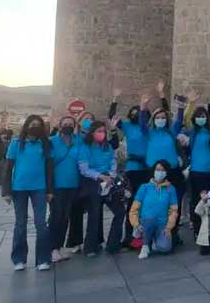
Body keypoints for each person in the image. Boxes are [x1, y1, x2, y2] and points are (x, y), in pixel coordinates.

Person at [2, 115, 53, 271]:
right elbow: (8, 168)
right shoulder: (16, 144)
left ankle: (43, 259)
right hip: (19, 189)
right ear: (26, 126)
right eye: (32, 124)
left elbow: (49, 169)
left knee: (41, 224)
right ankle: (19, 259)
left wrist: (50, 190)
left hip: (40, 188)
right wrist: (6, 191)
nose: (35, 127)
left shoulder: (45, 144)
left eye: (38, 124)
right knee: (20, 224)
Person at [143, 90, 187, 246]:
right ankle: (155, 236)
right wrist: (144, 106)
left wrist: (181, 107)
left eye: (163, 118)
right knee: (156, 205)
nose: (160, 120)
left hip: (173, 174)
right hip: (155, 173)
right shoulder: (150, 133)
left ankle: (173, 235)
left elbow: (179, 121)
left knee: (174, 205)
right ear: (153, 119)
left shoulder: (171, 132)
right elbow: (142, 122)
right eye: (158, 118)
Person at [77, 120, 125, 256]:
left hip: (109, 180)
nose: (102, 134)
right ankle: (90, 247)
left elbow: (112, 161)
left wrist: (110, 175)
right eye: (99, 131)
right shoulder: (85, 147)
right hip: (93, 181)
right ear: (92, 133)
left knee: (120, 211)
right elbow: (84, 168)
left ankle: (113, 244)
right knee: (94, 214)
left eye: (103, 131)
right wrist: (100, 176)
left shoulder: (107, 146)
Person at [110, 88, 148, 247]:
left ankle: (144, 235)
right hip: (133, 169)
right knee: (132, 203)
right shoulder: (127, 127)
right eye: (132, 112)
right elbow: (112, 118)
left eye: (137, 112)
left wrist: (144, 105)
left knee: (146, 203)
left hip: (147, 168)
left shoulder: (147, 128)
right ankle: (128, 236)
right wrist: (114, 99)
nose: (134, 114)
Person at [180, 102, 210, 243]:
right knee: (196, 203)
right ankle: (198, 230)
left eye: (203, 116)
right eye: (198, 117)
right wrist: (185, 106)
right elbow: (179, 127)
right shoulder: (192, 132)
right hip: (196, 173)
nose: (201, 119)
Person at [49, 114, 82, 263]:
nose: (68, 125)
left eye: (71, 123)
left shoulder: (78, 141)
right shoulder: (52, 142)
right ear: (60, 125)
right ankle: (52, 249)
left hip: (72, 184)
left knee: (65, 217)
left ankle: (59, 247)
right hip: (57, 186)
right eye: (65, 123)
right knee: (56, 216)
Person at [129, 160, 179, 259]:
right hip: (146, 221)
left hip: (162, 223)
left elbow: (174, 211)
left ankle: (155, 240)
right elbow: (134, 209)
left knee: (164, 248)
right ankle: (145, 245)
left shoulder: (171, 189)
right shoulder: (144, 187)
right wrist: (136, 224)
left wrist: (168, 227)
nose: (159, 172)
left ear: (166, 173)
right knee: (148, 220)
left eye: (162, 170)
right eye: (157, 169)